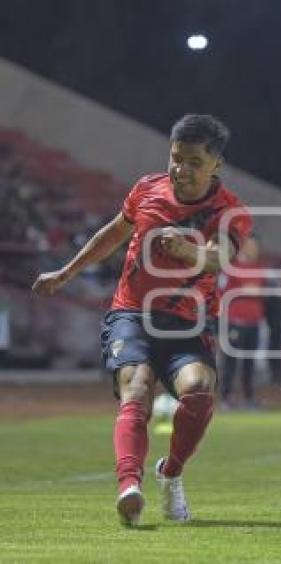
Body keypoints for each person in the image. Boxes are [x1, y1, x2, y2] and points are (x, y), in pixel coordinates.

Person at [32, 114, 252, 525]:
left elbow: (221, 256)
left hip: (189, 322)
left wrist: (191, 254)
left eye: (193, 162)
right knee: (137, 387)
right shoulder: (147, 189)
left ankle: (171, 474)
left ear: (215, 166)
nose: (181, 169)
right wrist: (66, 273)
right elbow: (114, 233)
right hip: (131, 311)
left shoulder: (230, 211)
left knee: (200, 390)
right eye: (176, 158)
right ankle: (128, 487)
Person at [220, 235, 264, 410]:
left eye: (256, 246)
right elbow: (221, 291)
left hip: (254, 322)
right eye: (250, 246)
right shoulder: (231, 267)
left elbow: (260, 292)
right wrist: (243, 290)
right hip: (235, 321)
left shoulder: (259, 268)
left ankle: (248, 398)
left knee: (249, 362)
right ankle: (226, 398)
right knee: (230, 361)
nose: (254, 249)